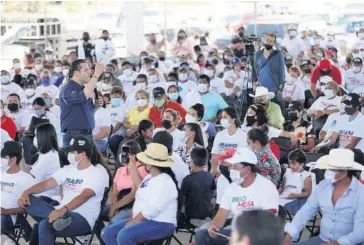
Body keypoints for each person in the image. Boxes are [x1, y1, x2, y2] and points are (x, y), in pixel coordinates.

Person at [18, 135, 108, 245]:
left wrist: (63, 210)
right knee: (28, 199)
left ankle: (57, 217)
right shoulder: (67, 169)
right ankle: (57, 218)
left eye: (73, 152)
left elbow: (84, 195)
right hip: (61, 212)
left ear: (83, 154)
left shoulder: (96, 173)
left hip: (82, 218)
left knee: (44, 225)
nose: (69, 154)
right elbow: (47, 183)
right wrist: (26, 192)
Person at [195, 148, 279, 245]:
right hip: (235, 233)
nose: (231, 170)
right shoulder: (232, 188)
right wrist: (214, 226)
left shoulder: (267, 187)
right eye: (231, 166)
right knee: (202, 235)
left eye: (235, 166)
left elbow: (267, 220)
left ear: (248, 169)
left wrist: (243, 238)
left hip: (259, 236)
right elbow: (221, 215)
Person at [101, 143, 179, 245]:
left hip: (161, 222)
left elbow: (152, 210)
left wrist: (133, 221)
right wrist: (132, 167)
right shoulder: (150, 177)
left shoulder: (164, 181)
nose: (143, 162)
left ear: (151, 164)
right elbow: (140, 187)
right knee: (108, 233)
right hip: (147, 219)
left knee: (124, 235)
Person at [284, 149, 364, 245]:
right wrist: (290, 234)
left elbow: (360, 232)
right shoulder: (323, 186)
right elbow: (305, 211)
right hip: (323, 240)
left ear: (344, 172)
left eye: (332, 169)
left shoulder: (360, 193)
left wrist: (337, 243)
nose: (328, 171)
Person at [59, 59, 104, 147]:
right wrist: (96, 75)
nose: (89, 72)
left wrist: (96, 107)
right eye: (86, 70)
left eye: (89, 69)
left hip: (87, 135)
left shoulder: (83, 89)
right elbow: (82, 97)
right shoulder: (68, 88)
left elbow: (85, 111)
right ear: (76, 73)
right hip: (75, 136)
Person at [312, 93, 364, 164]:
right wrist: (319, 145)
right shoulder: (341, 118)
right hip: (340, 152)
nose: (345, 106)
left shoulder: (361, 121)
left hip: (356, 154)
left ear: (357, 107)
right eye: (343, 103)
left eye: (348, 104)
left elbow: (352, 144)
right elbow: (332, 139)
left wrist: (338, 155)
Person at [1, 141, 35, 245]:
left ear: (14, 159)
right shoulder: (1, 174)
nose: (1, 161)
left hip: (9, 216)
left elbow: (28, 208)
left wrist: (5, 211)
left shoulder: (26, 179)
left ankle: (11, 238)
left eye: (4, 158)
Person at [107, 140, 148, 223]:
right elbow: (114, 192)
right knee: (97, 212)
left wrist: (114, 208)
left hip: (132, 206)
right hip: (119, 203)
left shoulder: (142, 170)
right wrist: (115, 204)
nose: (121, 155)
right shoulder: (120, 170)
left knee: (114, 221)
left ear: (134, 155)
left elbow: (133, 195)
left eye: (124, 153)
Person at [180, 147, 216, 225]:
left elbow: (182, 197)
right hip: (207, 213)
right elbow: (214, 193)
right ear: (206, 161)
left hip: (191, 215)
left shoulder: (187, 179)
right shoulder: (210, 176)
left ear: (191, 161)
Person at [29, 123, 62, 206]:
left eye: (36, 136)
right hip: (41, 193)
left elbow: (32, 178)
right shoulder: (45, 154)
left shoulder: (48, 157)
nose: (34, 138)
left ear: (43, 137)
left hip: (45, 196)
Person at [22, 97, 61, 163]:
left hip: (47, 137)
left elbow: (56, 130)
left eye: (39, 109)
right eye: (35, 109)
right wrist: (27, 131)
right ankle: (28, 161)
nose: (37, 110)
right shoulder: (31, 115)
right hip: (33, 136)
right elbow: (27, 128)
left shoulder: (51, 116)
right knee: (25, 139)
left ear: (44, 106)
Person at [210, 107, 247, 176]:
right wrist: (214, 169)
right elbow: (214, 155)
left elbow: (240, 158)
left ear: (233, 120)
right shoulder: (219, 135)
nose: (222, 120)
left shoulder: (243, 136)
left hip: (235, 171)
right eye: (222, 117)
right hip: (219, 171)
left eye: (225, 117)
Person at [254, 33, 286, 109]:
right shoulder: (258, 54)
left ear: (274, 43)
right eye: (267, 40)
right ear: (264, 40)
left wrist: (280, 89)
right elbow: (255, 70)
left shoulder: (278, 55)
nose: (269, 42)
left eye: (271, 41)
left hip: (274, 89)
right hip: (261, 88)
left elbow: (282, 73)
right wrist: (254, 84)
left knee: (276, 110)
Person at [279, 149, 312, 215]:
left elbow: (308, 193)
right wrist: (276, 193)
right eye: (290, 163)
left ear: (302, 164)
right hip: (285, 196)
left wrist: (296, 195)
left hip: (298, 200)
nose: (291, 165)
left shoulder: (306, 176)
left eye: (293, 163)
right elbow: (282, 187)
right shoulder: (287, 173)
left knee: (279, 207)